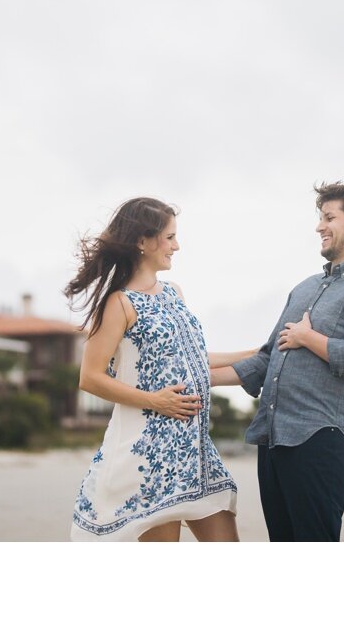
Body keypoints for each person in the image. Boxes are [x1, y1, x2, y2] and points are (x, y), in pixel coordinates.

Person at [213, 181, 344, 542]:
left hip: (320, 438)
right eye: (320, 217)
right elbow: (268, 359)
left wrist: (308, 338)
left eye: (330, 217)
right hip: (274, 437)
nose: (319, 226)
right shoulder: (304, 288)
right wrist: (204, 378)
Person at [67, 197, 252, 541]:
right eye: (169, 237)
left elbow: (190, 357)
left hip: (195, 452)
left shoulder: (174, 293)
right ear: (142, 241)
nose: (176, 246)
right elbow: (90, 377)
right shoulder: (118, 303)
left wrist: (256, 353)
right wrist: (155, 401)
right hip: (149, 456)